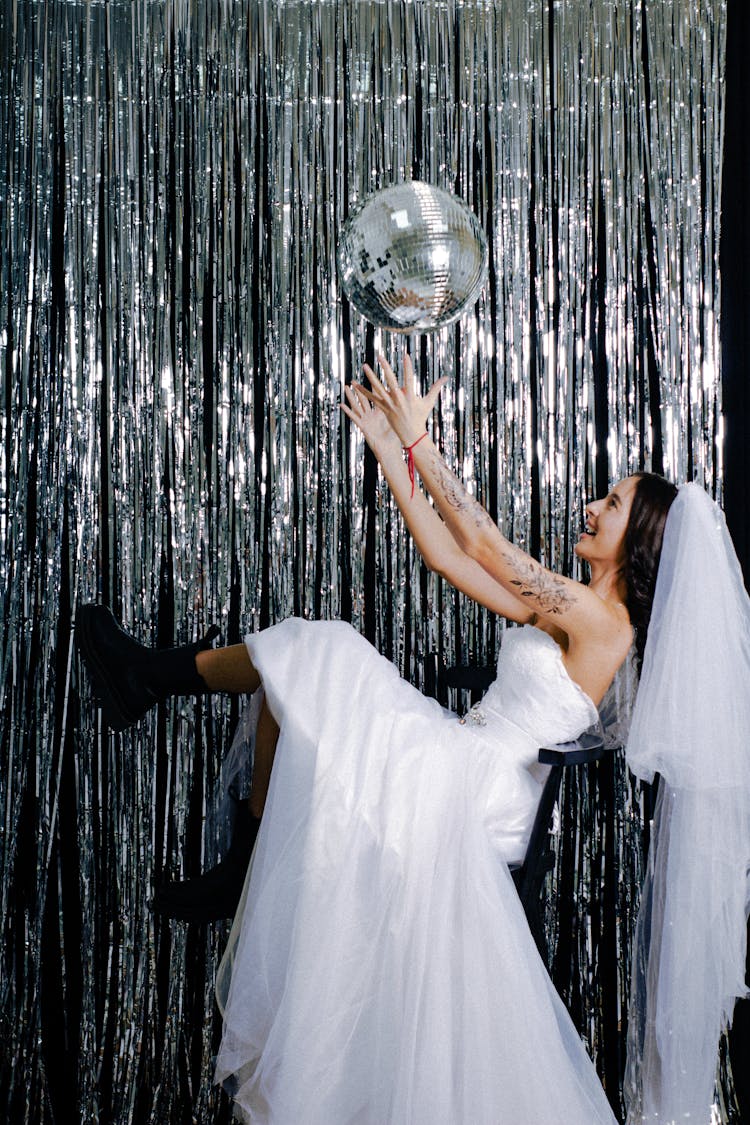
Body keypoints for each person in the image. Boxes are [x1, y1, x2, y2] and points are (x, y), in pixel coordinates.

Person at [77, 353, 685, 1123]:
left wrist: (418, 439)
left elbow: (488, 542)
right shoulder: (571, 609)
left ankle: (154, 691)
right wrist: (391, 452)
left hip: (474, 795)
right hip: (463, 760)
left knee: (318, 651)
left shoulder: (602, 622)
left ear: (640, 539)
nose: (593, 506)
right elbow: (450, 556)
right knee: (302, 668)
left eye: (614, 502)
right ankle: (223, 815)